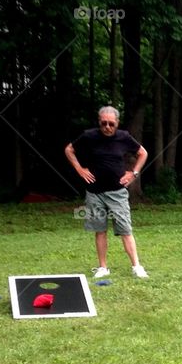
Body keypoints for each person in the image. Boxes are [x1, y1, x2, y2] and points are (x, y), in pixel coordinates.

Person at [64, 106, 149, 279]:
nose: (107, 127)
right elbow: (69, 150)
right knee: (100, 230)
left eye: (111, 124)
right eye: (104, 123)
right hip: (94, 192)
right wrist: (79, 169)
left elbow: (142, 153)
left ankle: (136, 266)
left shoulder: (123, 137)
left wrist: (134, 173)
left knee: (125, 229)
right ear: (99, 122)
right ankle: (103, 267)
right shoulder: (89, 136)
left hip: (117, 192)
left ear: (117, 123)